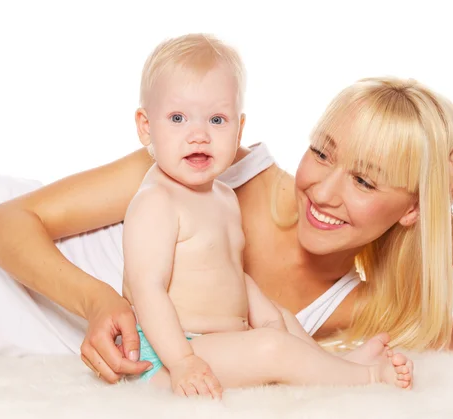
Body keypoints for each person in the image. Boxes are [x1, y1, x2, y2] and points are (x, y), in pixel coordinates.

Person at [0, 34, 453, 384]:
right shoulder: (210, 165)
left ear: (409, 211)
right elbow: (1, 223)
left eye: (366, 182)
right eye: (322, 153)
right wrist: (100, 303)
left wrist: (450, 228)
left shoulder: (356, 306)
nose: (322, 192)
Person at [121, 34, 413, 398]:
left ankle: (337, 364)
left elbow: (231, 270)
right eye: (178, 118)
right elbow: (146, 289)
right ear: (146, 126)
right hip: (169, 350)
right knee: (271, 349)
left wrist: (271, 319)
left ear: (239, 129)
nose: (199, 135)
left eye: (216, 119)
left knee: (282, 322)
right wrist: (181, 361)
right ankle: (366, 379)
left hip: (222, 340)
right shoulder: (156, 201)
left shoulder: (224, 196)